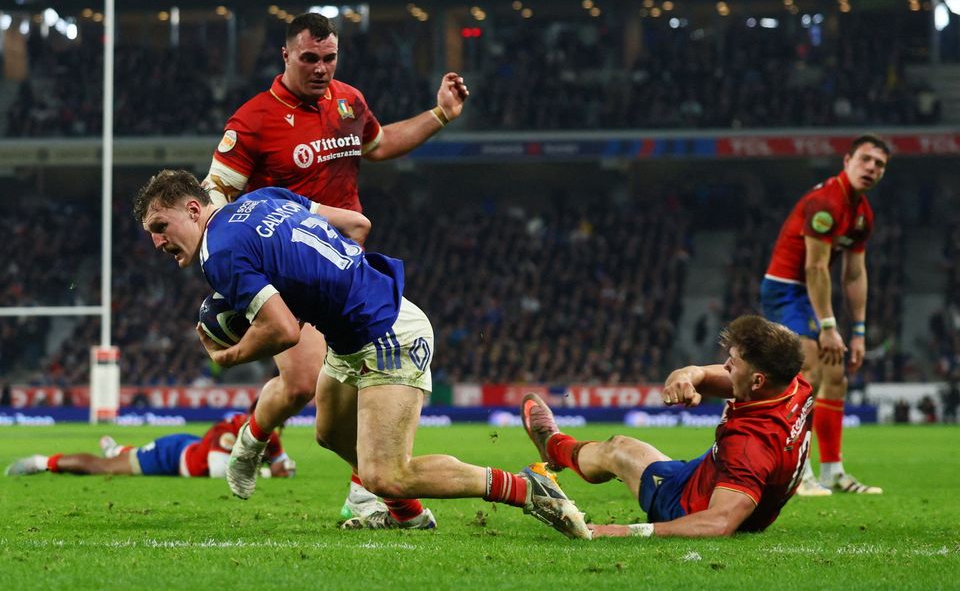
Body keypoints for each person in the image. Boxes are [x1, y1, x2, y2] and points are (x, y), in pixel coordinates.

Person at [132, 170, 591, 539]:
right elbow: (356, 225)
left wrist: (227, 357)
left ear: (193, 209)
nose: (157, 242)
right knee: (330, 432)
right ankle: (408, 517)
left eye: (160, 227)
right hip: (355, 328)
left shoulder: (220, 255)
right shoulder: (262, 198)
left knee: (386, 475)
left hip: (385, 333)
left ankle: (527, 489)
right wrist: (334, 282)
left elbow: (284, 330)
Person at [202, 12, 469, 523]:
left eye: (329, 58)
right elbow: (214, 192)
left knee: (346, 404)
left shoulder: (349, 101)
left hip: (342, 263)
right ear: (286, 56)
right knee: (301, 384)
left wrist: (439, 115)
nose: (321, 69)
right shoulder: (252, 121)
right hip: (285, 273)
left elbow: (380, 144)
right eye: (309, 58)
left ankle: (368, 494)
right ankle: (250, 443)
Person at [521, 315, 811, 538]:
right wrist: (685, 376)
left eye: (732, 363)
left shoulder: (749, 445)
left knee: (618, 449)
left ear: (758, 380)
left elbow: (719, 522)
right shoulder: (792, 385)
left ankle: (554, 447)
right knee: (626, 447)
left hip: (686, 502)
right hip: (710, 472)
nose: (724, 366)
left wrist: (624, 531)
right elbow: (705, 375)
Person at [760, 134, 888, 496]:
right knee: (811, 369)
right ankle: (797, 474)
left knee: (836, 375)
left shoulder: (862, 214)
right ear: (847, 160)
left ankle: (833, 471)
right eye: (865, 159)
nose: (872, 169)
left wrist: (859, 331)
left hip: (810, 294)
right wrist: (830, 327)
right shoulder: (825, 203)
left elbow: (853, 274)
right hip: (785, 289)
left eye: (879, 165)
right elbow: (816, 268)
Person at [4, 412, 294, 479]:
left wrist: (285, 467)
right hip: (172, 456)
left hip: (192, 447)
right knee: (105, 468)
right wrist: (269, 474)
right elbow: (218, 470)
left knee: (129, 456)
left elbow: (285, 464)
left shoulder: (270, 431)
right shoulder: (230, 429)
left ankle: (117, 448)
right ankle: (42, 462)